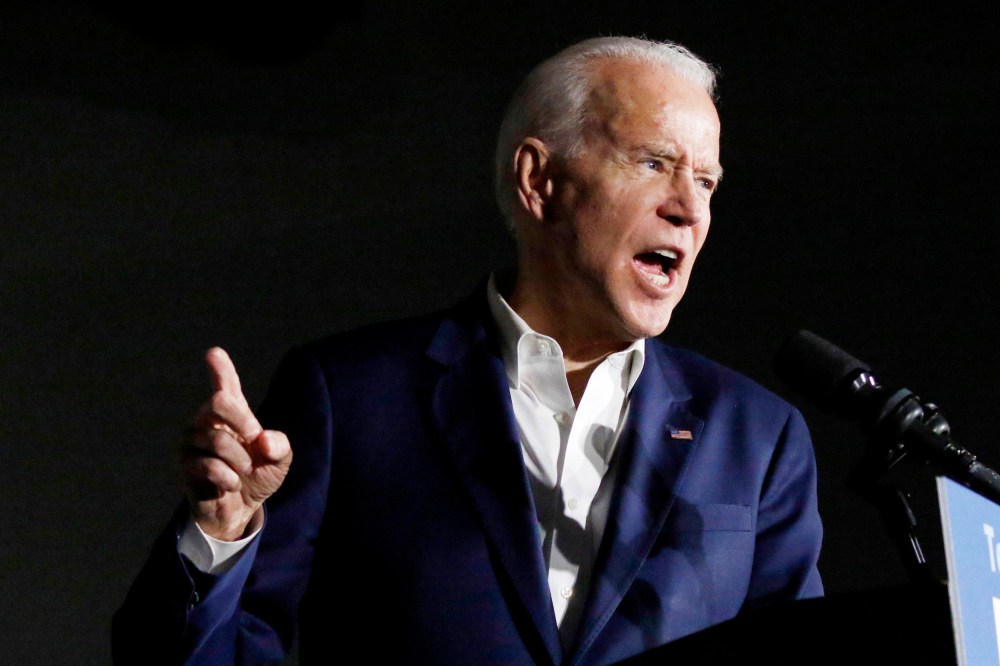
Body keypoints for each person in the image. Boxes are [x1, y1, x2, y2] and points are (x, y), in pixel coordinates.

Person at [113, 35, 823, 665]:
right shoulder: (350, 396)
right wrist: (221, 534)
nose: (691, 209)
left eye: (706, 181)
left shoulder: (756, 437)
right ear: (539, 181)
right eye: (654, 162)